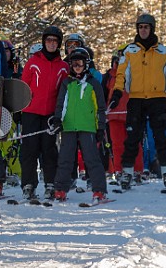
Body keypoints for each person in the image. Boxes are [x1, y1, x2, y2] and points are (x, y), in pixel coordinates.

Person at [109, 13, 166, 192]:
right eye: (140, 27)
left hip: (158, 99)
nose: (143, 30)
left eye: (146, 27)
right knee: (132, 138)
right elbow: (121, 74)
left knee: (161, 137)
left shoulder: (163, 51)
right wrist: (117, 93)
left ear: (152, 28)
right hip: (136, 98)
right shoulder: (130, 51)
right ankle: (127, 172)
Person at [51, 48, 109, 204]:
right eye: (74, 63)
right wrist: (58, 120)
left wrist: (100, 127)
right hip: (69, 127)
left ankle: (99, 190)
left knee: (92, 160)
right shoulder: (67, 83)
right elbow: (61, 104)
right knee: (65, 159)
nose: (77, 66)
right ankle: (60, 190)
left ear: (86, 64)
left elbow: (100, 108)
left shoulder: (93, 84)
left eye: (80, 63)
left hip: (88, 127)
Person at [19, 26, 69, 201]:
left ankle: (50, 184)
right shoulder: (33, 62)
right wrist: (19, 109)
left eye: (55, 41)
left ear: (59, 44)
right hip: (31, 112)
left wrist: (60, 115)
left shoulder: (63, 67)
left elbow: (64, 93)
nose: (51, 44)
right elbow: (23, 87)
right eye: (48, 40)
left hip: (50, 115)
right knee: (29, 150)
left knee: (49, 150)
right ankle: (28, 185)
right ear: (43, 42)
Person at [104, 44, 144, 186]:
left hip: (131, 114)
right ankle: (119, 171)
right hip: (114, 115)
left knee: (134, 144)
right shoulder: (109, 76)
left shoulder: (135, 75)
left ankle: (137, 171)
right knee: (117, 145)